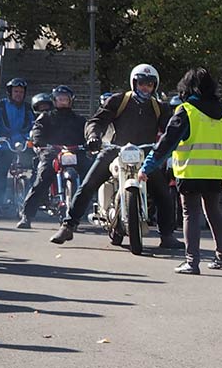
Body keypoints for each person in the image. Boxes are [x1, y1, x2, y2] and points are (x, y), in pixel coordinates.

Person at [50, 64, 178, 248]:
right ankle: (68, 226)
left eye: (150, 84)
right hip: (115, 150)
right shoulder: (118, 101)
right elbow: (97, 121)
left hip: (145, 154)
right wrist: (93, 136)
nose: (145, 87)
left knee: (164, 192)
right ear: (134, 82)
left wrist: (173, 142)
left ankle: (167, 235)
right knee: (87, 185)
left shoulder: (160, 107)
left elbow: (169, 130)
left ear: (155, 86)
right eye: (142, 83)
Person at [140, 68, 222, 274]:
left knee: (189, 213)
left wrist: (147, 167)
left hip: (191, 171)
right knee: (213, 211)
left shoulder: (187, 110)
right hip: (216, 172)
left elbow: (167, 142)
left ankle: (192, 261)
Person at [17, 86, 86, 228]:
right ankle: (26, 216)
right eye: (60, 99)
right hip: (51, 152)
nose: (63, 101)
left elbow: (87, 133)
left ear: (71, 100)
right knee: (42, 178)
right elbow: (37, 131)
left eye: (65, 99)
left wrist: (90, 142)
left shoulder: (79, 120)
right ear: (54, 101)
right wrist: (39, 142)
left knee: (92, 175)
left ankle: (96, 208)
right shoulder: (46, 117)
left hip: (75, 152)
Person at [0, 77, 35, 216]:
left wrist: (35, 137)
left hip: (24, 145)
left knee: (38, 170)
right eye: (16, 91)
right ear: (10, 92)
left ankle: (35, 201)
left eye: (21, 91)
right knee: (0, 174)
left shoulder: (28, 108)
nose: (18, 94)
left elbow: (34, 125)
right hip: (4, 145)